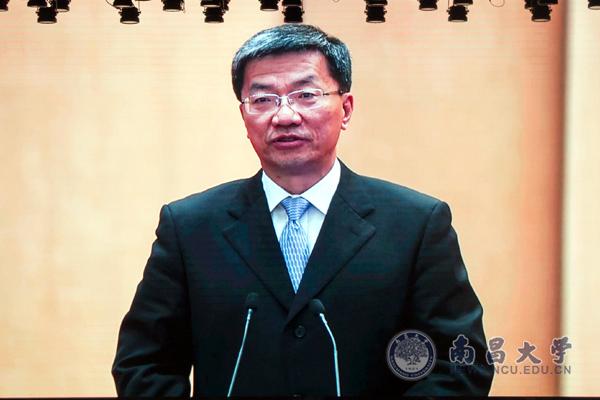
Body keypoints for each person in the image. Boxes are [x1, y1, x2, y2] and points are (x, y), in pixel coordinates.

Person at [112, 24, 494, 397]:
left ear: (346, 109)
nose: (285, 116)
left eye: (306, 94)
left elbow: (460, 363)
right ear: (244, 116)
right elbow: (143, 364)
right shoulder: (190, 227)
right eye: (263, 99)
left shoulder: (416, 224)